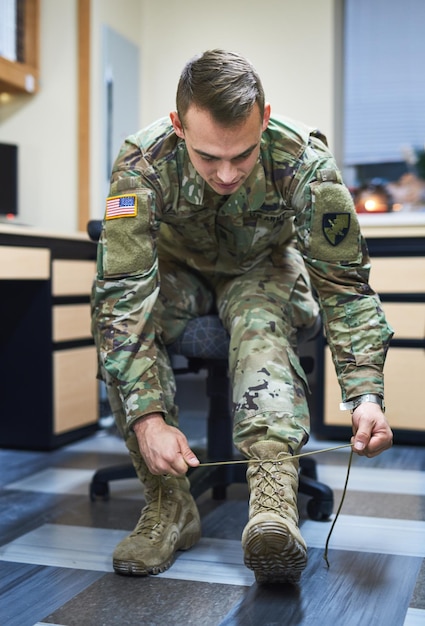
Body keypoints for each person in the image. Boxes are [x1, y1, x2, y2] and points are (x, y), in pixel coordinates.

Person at [91, 49, 393, 584]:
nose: (226, 174)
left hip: (262, 268)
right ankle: (169, 504)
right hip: (178, 274)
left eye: (244, 155)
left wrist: (366, 393)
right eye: (209, 158)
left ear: (266, 118)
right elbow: (122, 295)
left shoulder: (304, 160)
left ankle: (274, 499)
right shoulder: (142, 162)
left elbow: (344, 285)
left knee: (259, 316)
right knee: (120, 324)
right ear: (178, 125)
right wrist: (148, 419)